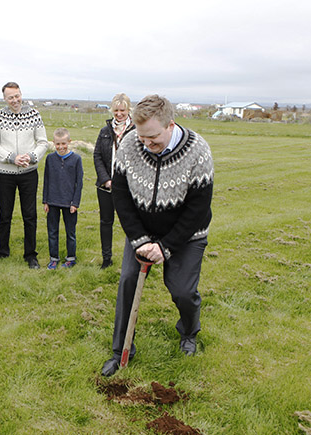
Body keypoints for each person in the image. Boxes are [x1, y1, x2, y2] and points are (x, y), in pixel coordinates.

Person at [101, 95, 214, 377]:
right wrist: (140, 240)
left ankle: (188, 333)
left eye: (153, 138)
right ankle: (120, 351)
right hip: (142, 231)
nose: (147, 145)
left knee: (183, 291)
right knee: (128, 280)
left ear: (170, 125)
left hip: (187, 235)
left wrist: (165, 247)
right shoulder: (130, 143)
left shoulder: (198, 151)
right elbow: (121, 196)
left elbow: (198, 209)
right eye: (142, 138)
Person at [0, 82, 48, 269]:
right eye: (10, 97)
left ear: (21, 94)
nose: (15, 100)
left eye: (17, 95)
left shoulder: (34, 114)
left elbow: (43, 142)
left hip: (29, 173)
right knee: (5, 214)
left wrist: (30, 157)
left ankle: (30, 254)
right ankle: (3, 251)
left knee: (29, 215)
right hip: (6, 174)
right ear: (4, 98)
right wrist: (12, 158)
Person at [93, 93, 135, 269]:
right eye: (116, 110)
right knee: (106, 222)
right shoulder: (105, 131)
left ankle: (133, 259)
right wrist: (106, 180)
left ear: (128, 110)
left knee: (131, 223)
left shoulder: (136, 131)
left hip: (129, 188)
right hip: (106, 187)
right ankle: (106, 259)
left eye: (122, 110)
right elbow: (97, 156)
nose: (119, 114)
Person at [42, 128, 83, 269]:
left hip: (69, 203)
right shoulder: (50, 159)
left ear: (69, 142)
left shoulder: (77, 159)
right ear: (53, 143)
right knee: (52, 231)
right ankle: (54, 258)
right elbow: (46, 180)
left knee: (70, 232)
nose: (60, 147)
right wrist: (45, 200)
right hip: (52, 201)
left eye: (63, 143)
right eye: (57, 144)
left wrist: (75, 203)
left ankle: (71, 258)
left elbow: (79, 183)